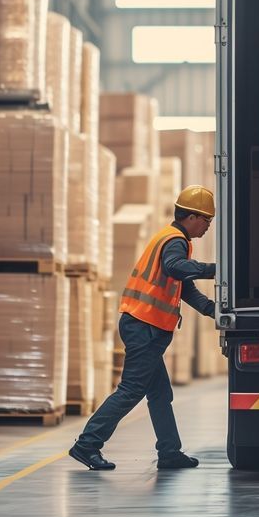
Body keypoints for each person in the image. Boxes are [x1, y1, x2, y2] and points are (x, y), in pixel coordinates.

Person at [69, 185, 218, 470]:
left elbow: (184, 287)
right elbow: (176, 268)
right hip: (144, 325)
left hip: (142, 324)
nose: (207, 226)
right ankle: (87, 445)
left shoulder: (170, 237)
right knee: (131, 390)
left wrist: (212, 310)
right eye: (206, 220)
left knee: (160, 393)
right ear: (191, 217)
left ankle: (170, 452)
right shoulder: (175, 240)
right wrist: (215, 269)